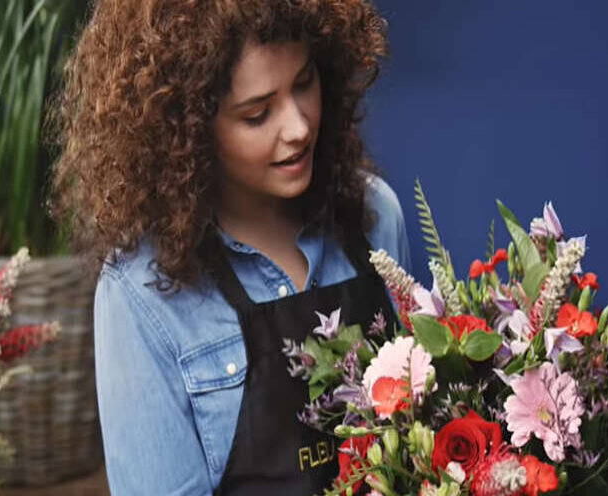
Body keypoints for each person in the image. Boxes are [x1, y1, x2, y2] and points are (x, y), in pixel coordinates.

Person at [49, 1, 412, 494]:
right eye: (258, 113)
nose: (299, 127)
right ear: (188, 130)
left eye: (304, 83)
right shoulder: (139, 293)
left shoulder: (375, 216)